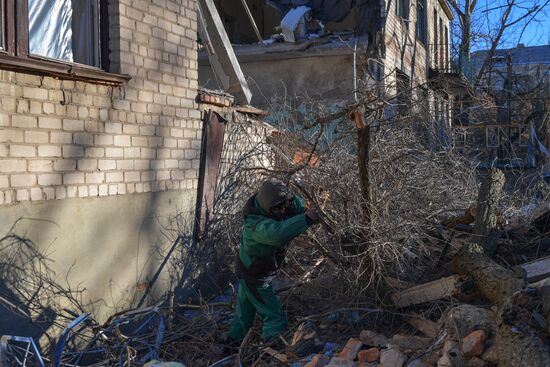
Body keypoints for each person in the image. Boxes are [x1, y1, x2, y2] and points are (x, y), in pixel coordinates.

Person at [226, 178, 322, 350]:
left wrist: (314, 205)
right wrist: (306, 219)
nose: (283, 211)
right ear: (267, 206)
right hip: (253, 275)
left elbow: (298, 206)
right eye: (278, 208)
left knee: (245, 312)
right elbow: (277, 234)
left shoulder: (282, 204)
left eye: (284, 206)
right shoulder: (254, 224)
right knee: (274, 316)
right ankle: (270, 349)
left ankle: (232, 343)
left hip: (254, 271)